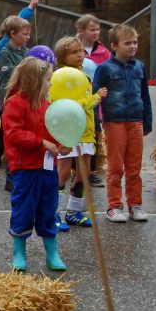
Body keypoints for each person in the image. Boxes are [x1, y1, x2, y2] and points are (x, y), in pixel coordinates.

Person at [2, 57, 67, 272]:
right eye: (47, 79)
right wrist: (40, 142)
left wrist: (62, 144)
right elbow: (13, 134)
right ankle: (19, 252)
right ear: (34, 80)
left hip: (47, 169)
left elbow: (54, 131)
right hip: (25, 168)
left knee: (49, 208)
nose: (50, 84)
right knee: (23, 208)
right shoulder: (15, 103)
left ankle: (52, 253)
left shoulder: (46, 105)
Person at [92, 25, 152, 223]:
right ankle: (114, 206)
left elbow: (145, 95)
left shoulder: (139, 66)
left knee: (134, 168)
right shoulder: (105, 69)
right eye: (127, 43)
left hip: (135, 121)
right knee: (116, 167)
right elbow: (95, 97)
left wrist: (147, 120)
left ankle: (135, 205)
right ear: (114, 46)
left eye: (135, 42)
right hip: (114, 122)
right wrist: (96, 123)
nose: (132, 46)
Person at [53, 36, 105, 230]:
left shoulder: (84, 74)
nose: (80, 55)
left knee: (85, 172)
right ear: (62, 56)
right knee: (63, 172)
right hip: (67, 131)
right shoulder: (62, 76)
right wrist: (95, 98)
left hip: (86, 131)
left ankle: (74, 211)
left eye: (81, 51)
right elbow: (68, 105)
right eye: (74, 52)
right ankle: (53, 213)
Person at [0, 0, 38, 185]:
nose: (27, 37)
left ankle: (14, 170)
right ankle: (7, 173)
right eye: (24, 34)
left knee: (12, 134)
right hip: (10, 100)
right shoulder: (4, 50)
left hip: (26, 99)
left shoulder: (25, 51)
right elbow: (11, 79)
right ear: (12, 34)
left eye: (28, 33)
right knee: (9, 136)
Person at [76, 14, 110, 187]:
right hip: (76, 96)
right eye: (92, 30)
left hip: (94, 100)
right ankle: (74, 166)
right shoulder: (73, 48)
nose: (96, 33)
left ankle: (91, 171)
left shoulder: (104, 52)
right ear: (81, 31)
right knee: (75, 131)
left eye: (98, 29)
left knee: (94, 133)